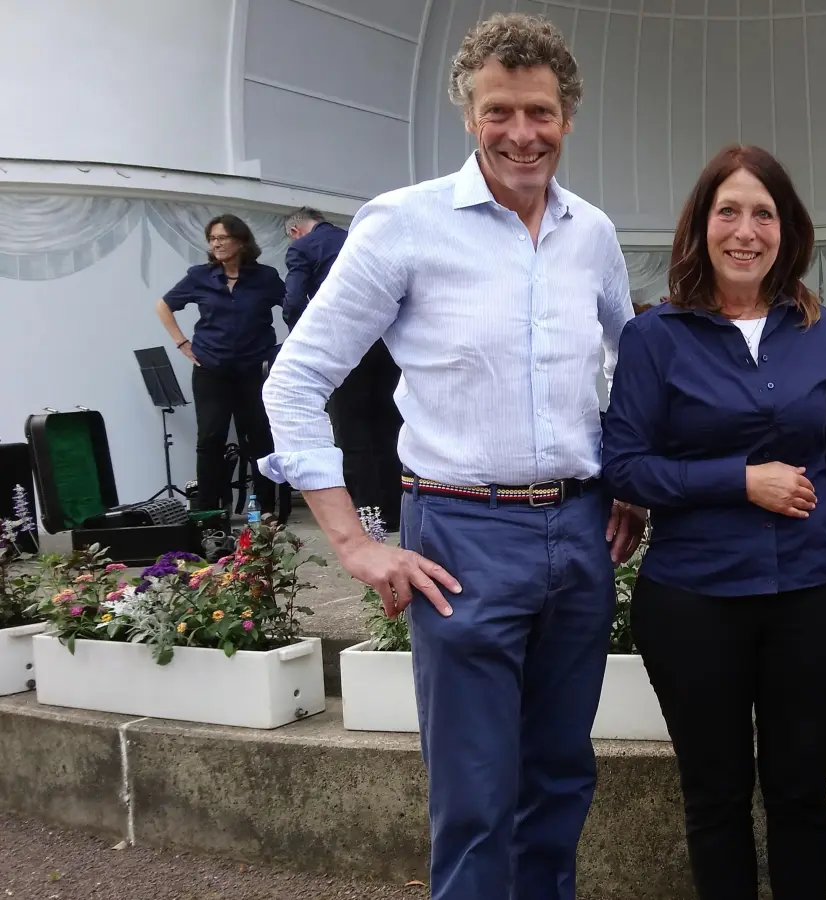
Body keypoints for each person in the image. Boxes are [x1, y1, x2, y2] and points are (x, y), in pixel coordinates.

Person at [257, 13, 645, 900]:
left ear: (567, 117)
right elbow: (294, 380)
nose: (521, 133)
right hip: (461, 536)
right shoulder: (403, 225)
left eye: (540, 112)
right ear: (468, 116)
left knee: (560, 779)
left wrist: (630, 482)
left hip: (581, 531)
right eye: (499, 111)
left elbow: (631, 365)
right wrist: (353, 544)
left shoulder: (593, 232)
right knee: (474, 798)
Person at [599, 144, 826, 900]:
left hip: (813, 593)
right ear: (700, 226)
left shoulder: (817, 328)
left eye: (762, 213)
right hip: (695, 600)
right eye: (727, 211)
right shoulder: (653, 337)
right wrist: (739, 483)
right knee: (715, 798)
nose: (745, 230)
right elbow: (625, 466)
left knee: (803, 794)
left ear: (785, 229)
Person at [155, 214, 284, 520]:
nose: (216, 244)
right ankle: (209, 511)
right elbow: (164, 305)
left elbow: (292, 307)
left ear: (240, 241)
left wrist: (287, 350)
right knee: (210, 438)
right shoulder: (199, 276)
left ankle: (264, 509)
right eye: (212, 239)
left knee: (258, 437)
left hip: (252, 369)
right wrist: (181, 343)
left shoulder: (265, 277)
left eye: (222, 238)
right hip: (211, 369)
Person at [284, 206, 403, 531]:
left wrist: (307, 342)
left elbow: (294, 301)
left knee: (351, 430)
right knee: (389, 427)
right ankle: (395, 512)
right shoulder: (358, 236)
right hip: (385, 342)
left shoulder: (302, 247)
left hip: (345, 343)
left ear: (296, 231)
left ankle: (368, 516)